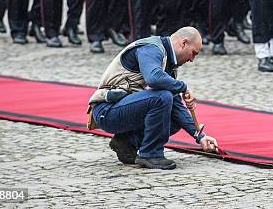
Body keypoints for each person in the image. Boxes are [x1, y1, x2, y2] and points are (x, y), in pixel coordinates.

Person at [88, 26, 219, 169]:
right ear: (184, 43)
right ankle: (151, 154)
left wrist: (200, 136)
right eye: (193, 53)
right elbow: (153, 78)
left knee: (172, 116)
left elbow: (177, 106)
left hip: (121, 107)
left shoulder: (168, 61)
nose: (192, 59)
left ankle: (127, 142)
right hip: (107, 111)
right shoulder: (152, 48)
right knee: (162, 97)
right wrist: (183, 87)